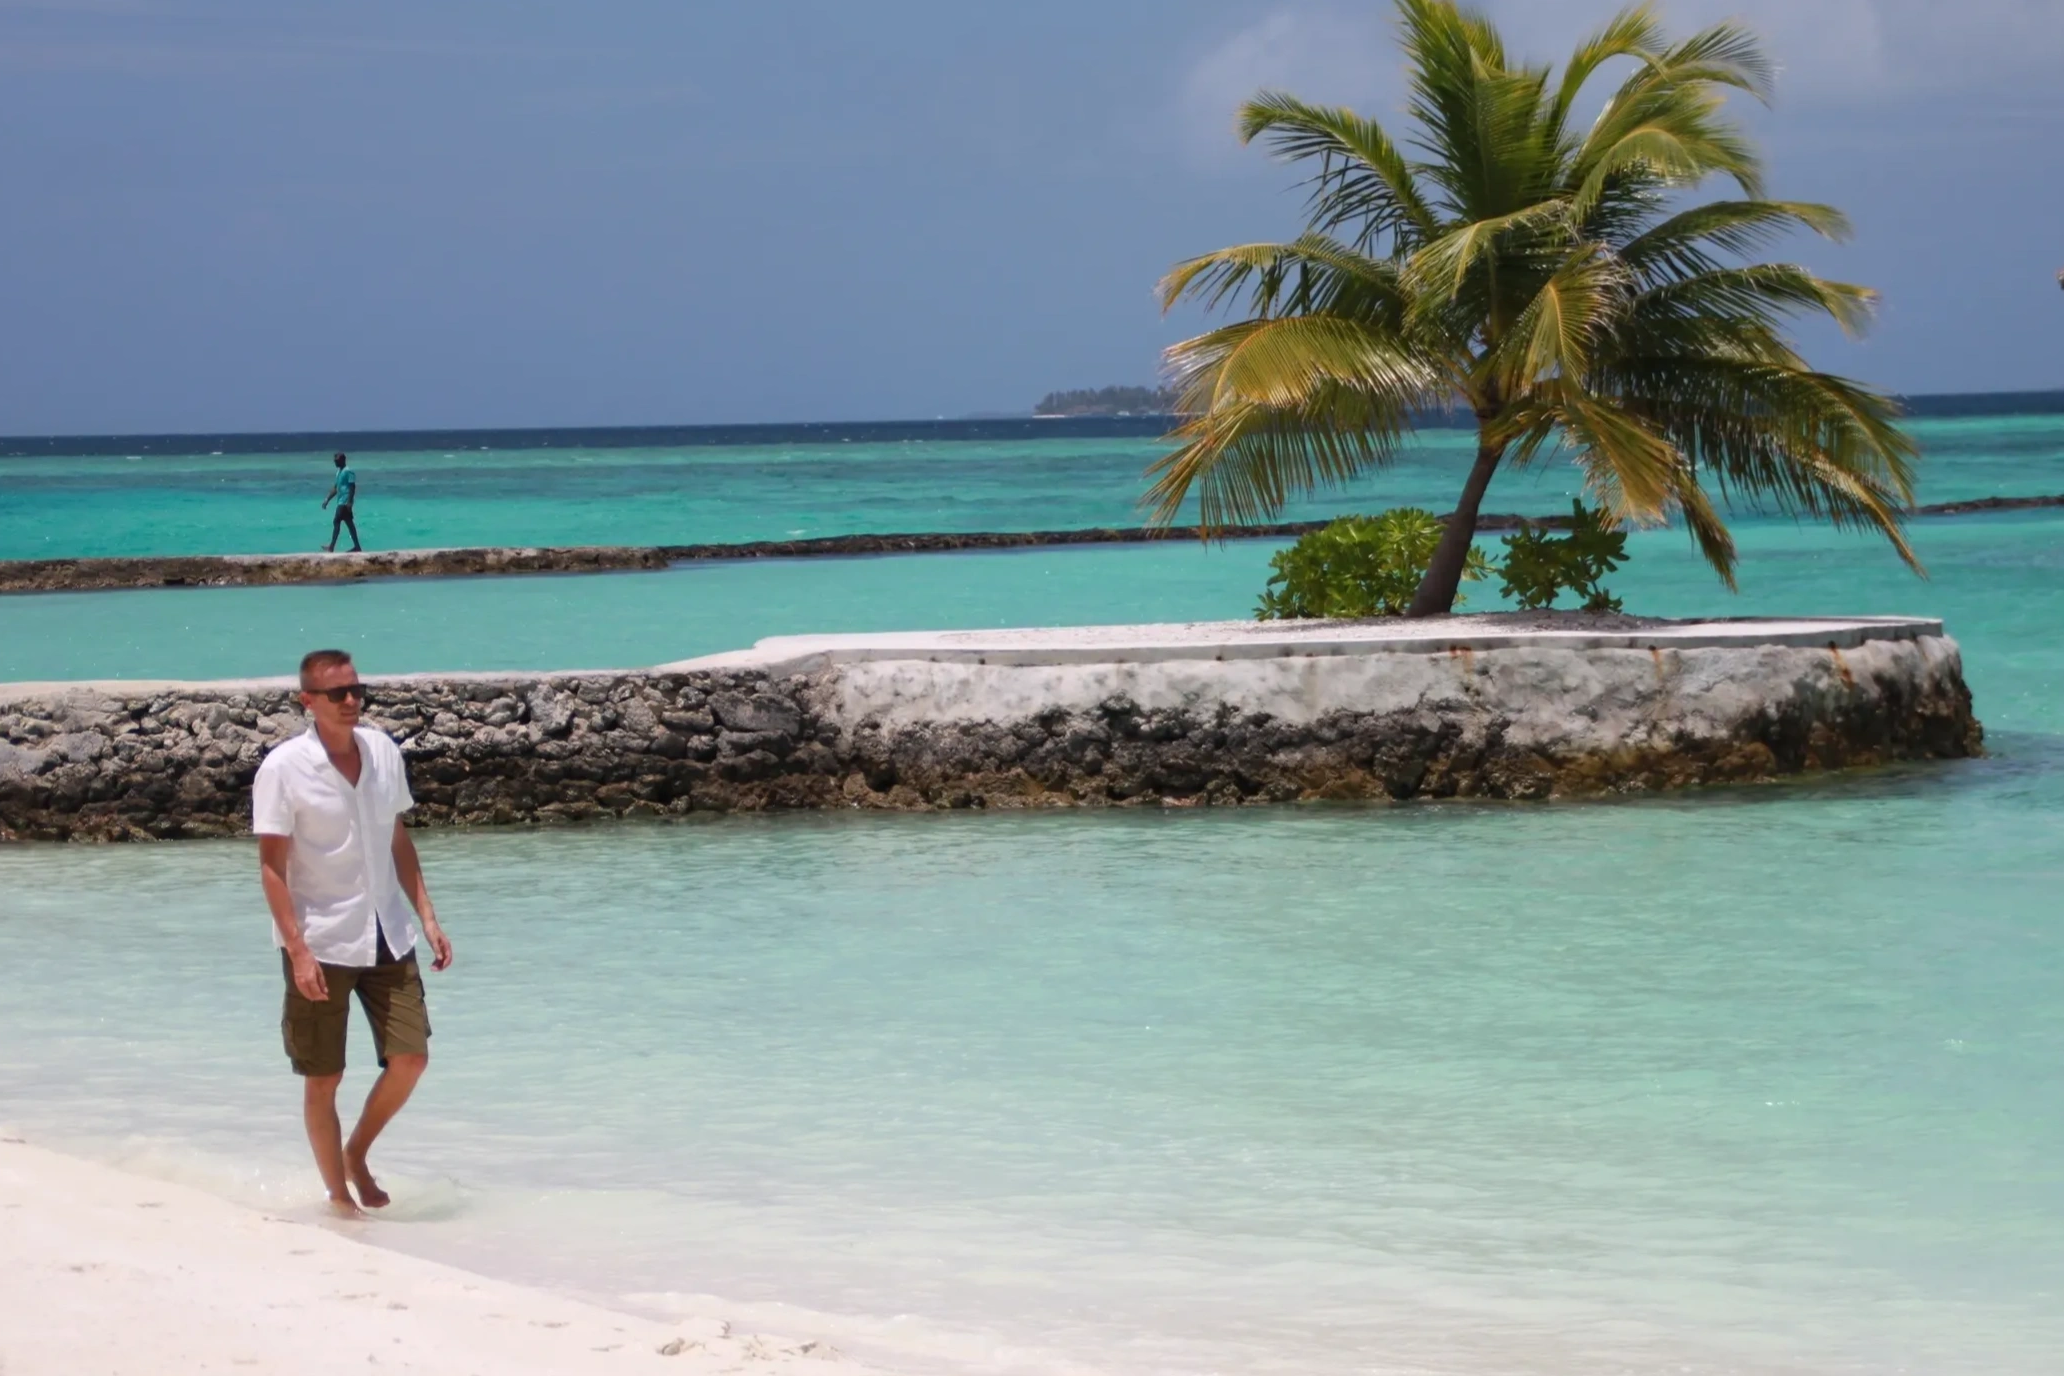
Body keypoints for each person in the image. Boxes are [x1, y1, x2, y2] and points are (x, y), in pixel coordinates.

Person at [254, 649, 453, 1216]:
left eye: (356, 690)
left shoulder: (384, 752)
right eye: (337, 693)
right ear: (307, 701)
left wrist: (428, 917)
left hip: (388, 930)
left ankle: (356, 1154)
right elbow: (272, 867)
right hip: (322, 937)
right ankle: (339, 1199)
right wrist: (298, 950)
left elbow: (397, 839)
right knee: (325, 1075)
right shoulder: (284, 769)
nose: (350, 701)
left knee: (410, 1057)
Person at [321, 452, 362, 552]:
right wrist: (327, 499)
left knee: (337, 521)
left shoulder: (349, 471)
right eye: (335, 461)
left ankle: (331, 547)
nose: (335, 462)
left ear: (343, 460)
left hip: (344, 502)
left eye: (337, 461)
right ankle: (357, 547)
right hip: (341, 501)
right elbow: (336, 488)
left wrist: (350, 501)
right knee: (349, 524)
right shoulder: (339, 472)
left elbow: (352, 487)